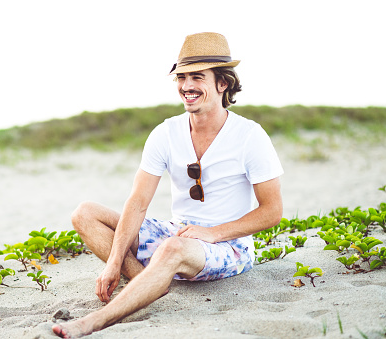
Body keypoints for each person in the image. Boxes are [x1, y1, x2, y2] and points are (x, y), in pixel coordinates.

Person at [52, 32, 284, 338]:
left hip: (229, 245)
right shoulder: (165, 133)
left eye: (197, 77)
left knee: (173, 246)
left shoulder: (250, 136)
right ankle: (149, 282)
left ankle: (94, 321)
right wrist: (114, 262)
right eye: (182, 77)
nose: (187, 86)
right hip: (179, 233)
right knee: (85, 213)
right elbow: (137, 202)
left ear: (223, 83)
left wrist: (212, 233)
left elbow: (272, 212)